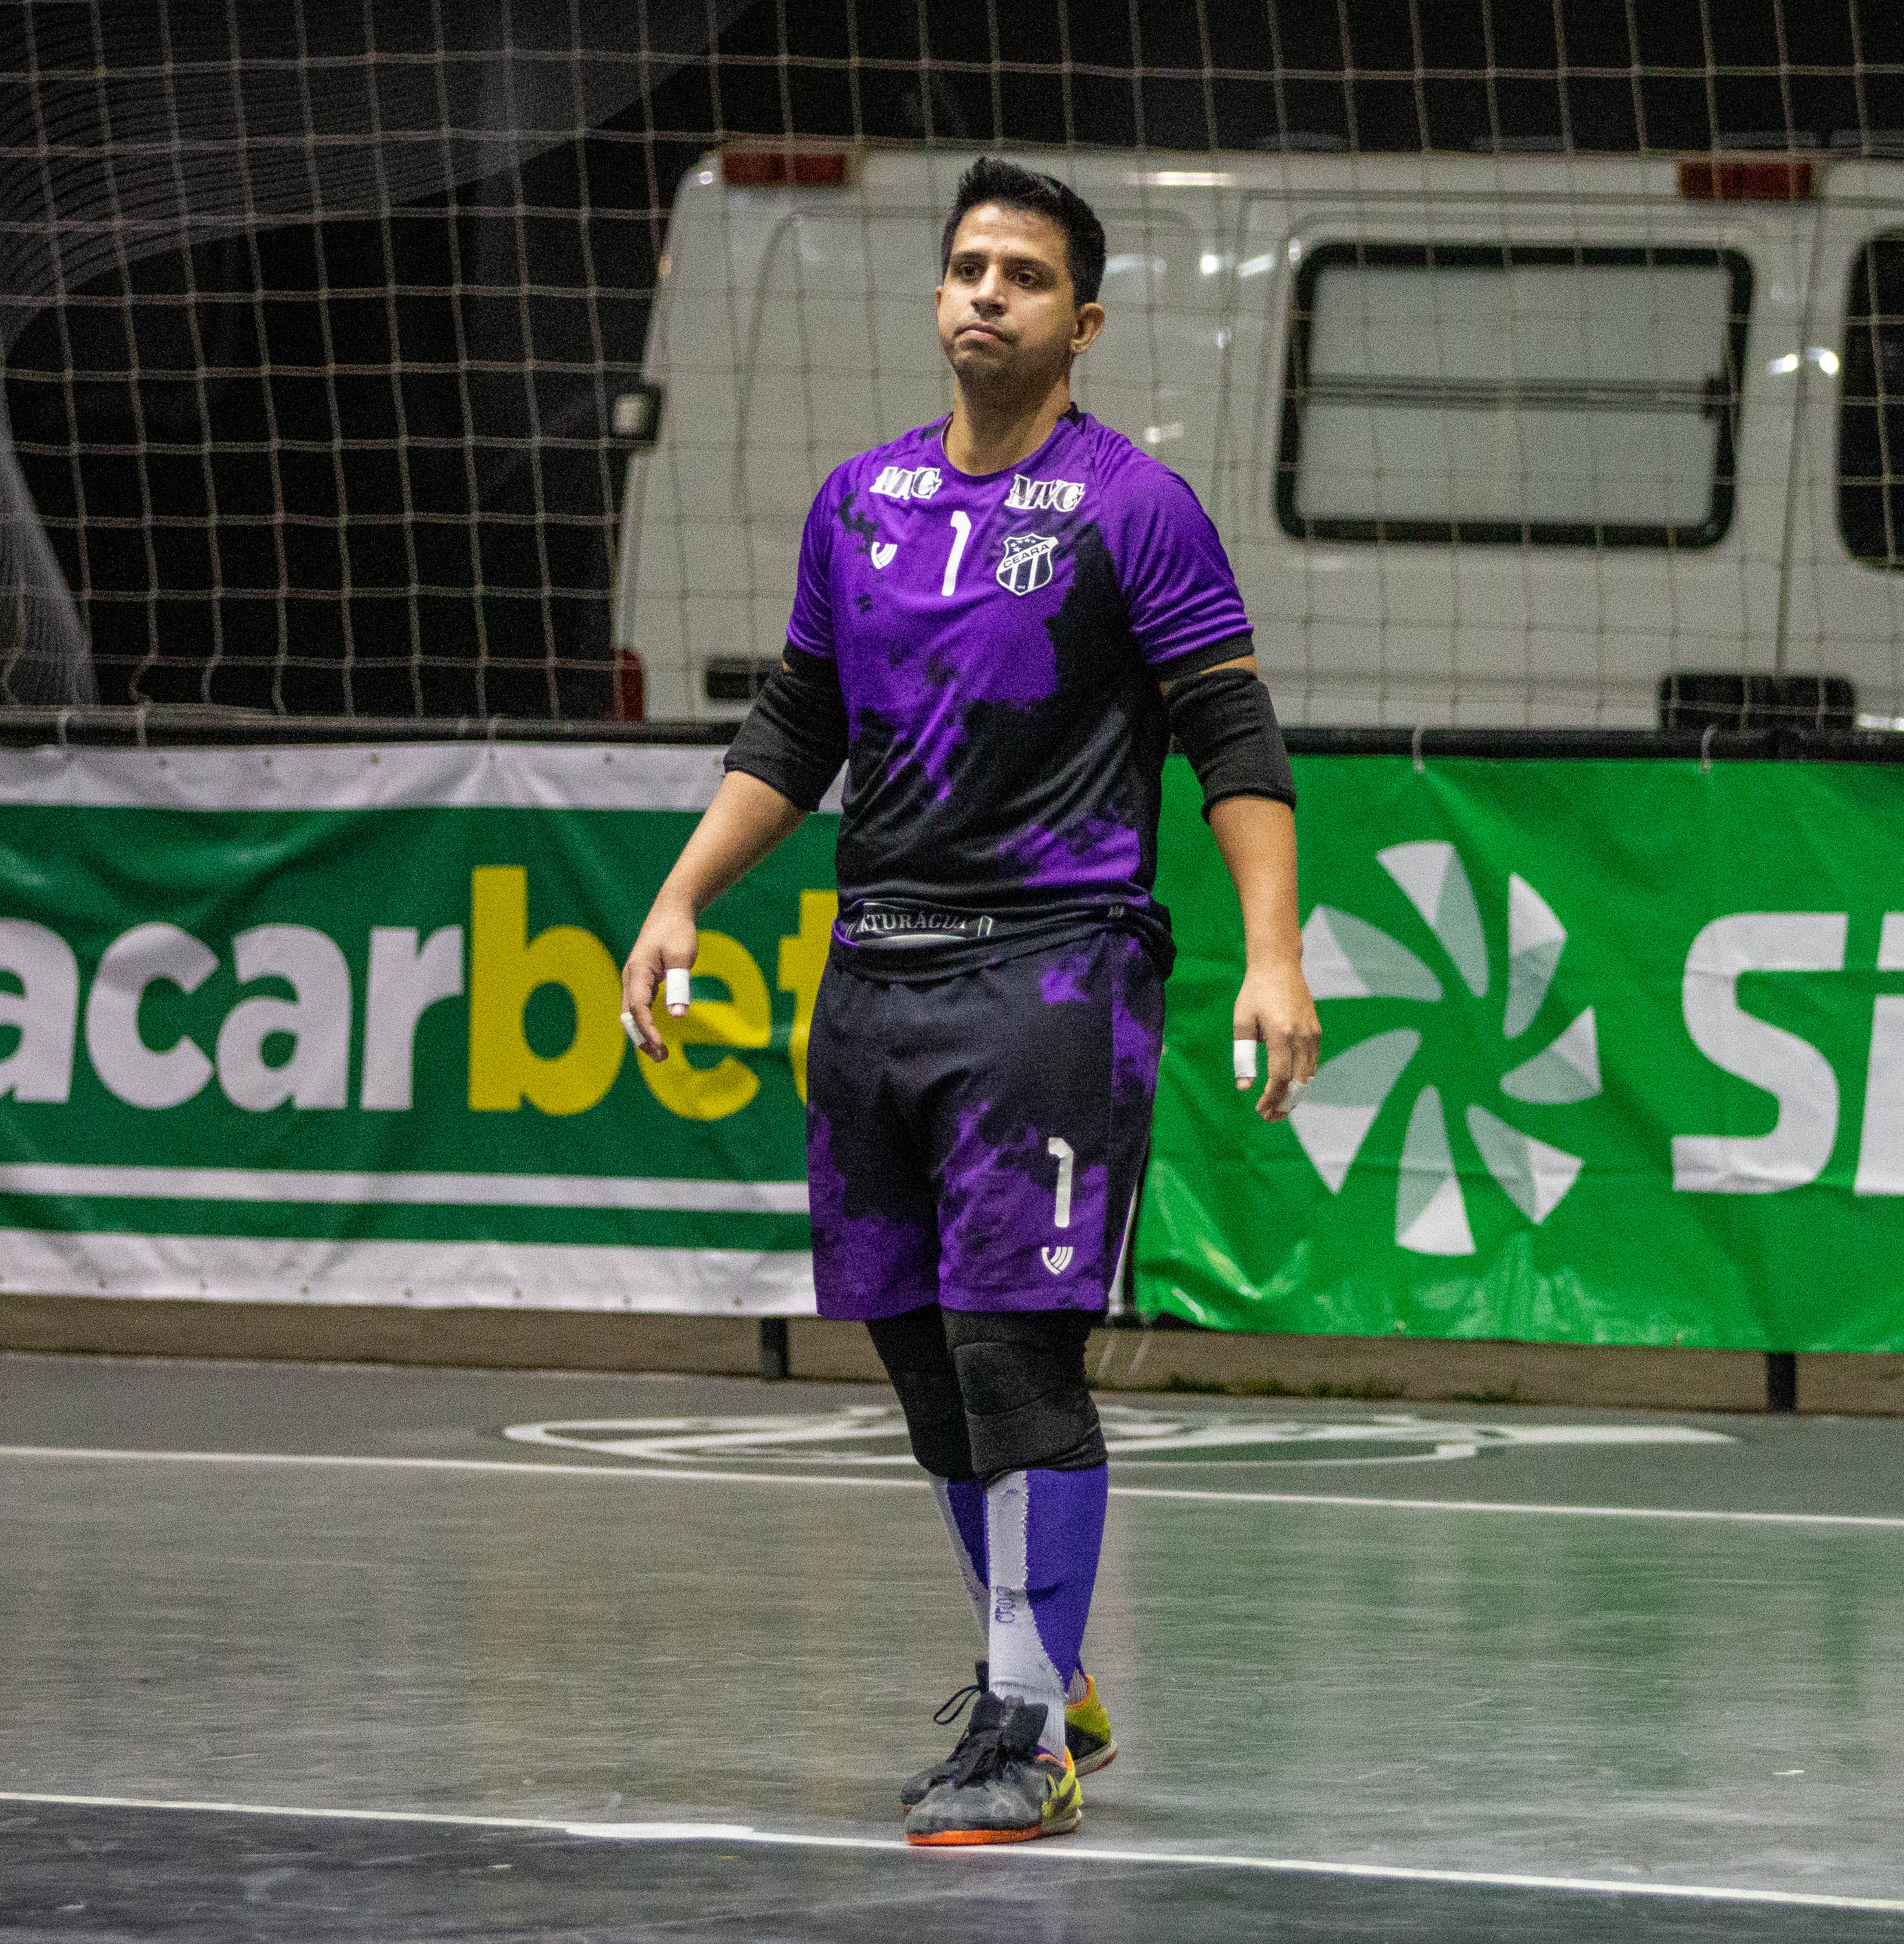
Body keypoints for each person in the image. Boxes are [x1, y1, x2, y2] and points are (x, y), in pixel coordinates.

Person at [619, 156, 1318, 1847]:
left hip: (1052, 971)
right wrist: (681, 891)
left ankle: (1023, 1725)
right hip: (874, 973)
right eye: (965, 267)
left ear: (1079, 321)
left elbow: (1231, 736)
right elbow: (797, 726)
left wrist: (1275, 950)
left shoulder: (1133, 509)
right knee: (923, 1357)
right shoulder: (856, 504)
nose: (984, 292)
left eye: (1021, 274)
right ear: (937, 301)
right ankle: (1041, 1661)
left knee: (1017, 1350)